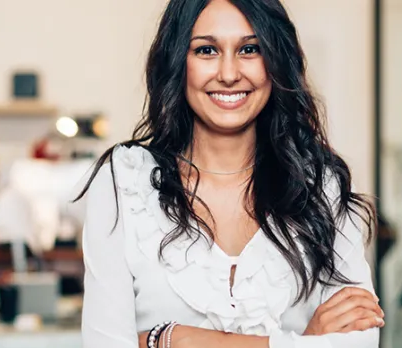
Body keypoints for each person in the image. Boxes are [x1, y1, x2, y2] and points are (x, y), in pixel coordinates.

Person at [75, 1, 382, 348]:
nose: (229, 73)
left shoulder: (319, 185)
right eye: (206, 50)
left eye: (250, 49)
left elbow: (361, 338)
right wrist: (303, 341)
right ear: (178, 61)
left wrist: (178, 340)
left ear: (275, 61)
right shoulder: (125, 182)